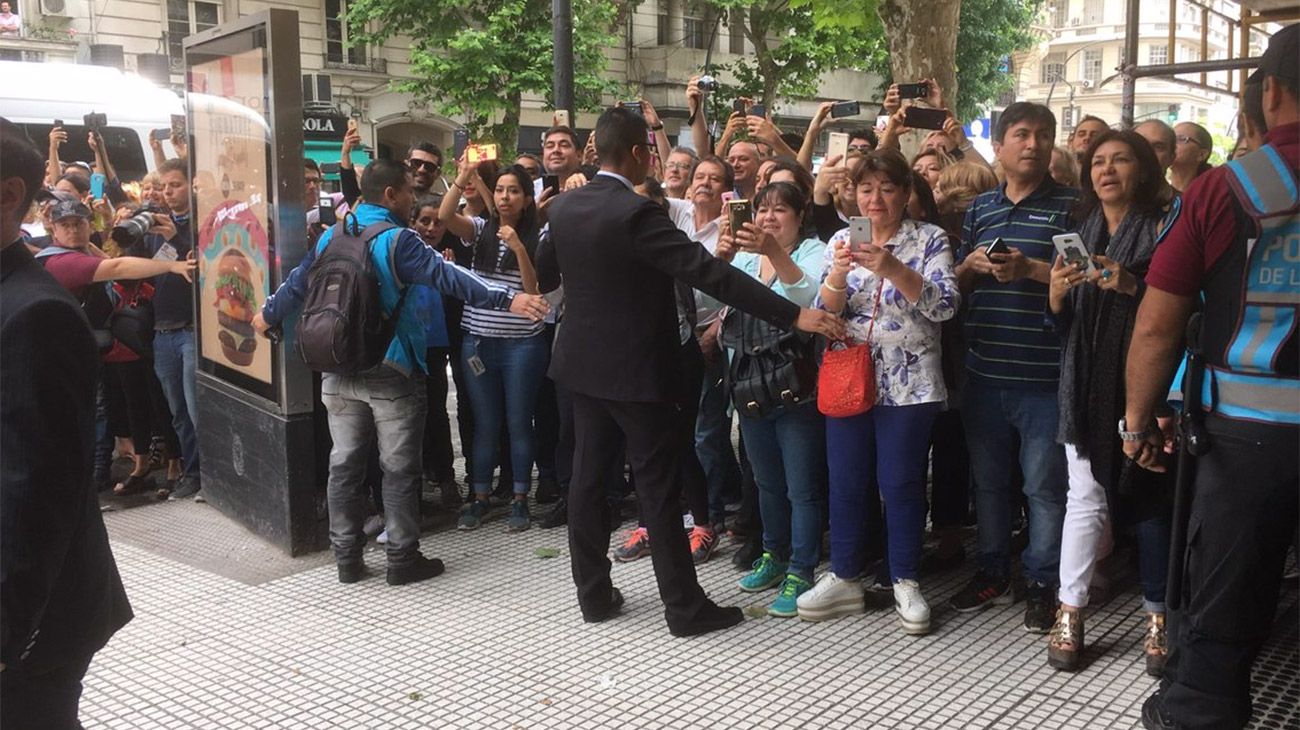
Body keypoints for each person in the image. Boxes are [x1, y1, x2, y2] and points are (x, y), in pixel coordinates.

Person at [536, 106, 844, 637]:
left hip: (581, 367)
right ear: (637, 153)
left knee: (587, 480)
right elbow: (709, 273)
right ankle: (683, 607)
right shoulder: (636, 214)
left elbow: (545, 274)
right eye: (648, 151)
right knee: (657, 488)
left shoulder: (564, 208)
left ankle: (593, 595)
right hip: (637, 373)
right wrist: (795, 312)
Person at [255, 159, 548, 584]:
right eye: (408, 192)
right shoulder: (398, 241)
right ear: (390, 195)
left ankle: (347, 558)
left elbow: (297, 285)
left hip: (337, 369)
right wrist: (510, 300)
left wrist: (266, 314)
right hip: (391, 366)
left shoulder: (333, 235)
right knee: (398, 468)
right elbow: (449, 276)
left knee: (345, 464)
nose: (413, 199)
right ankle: (402, 558)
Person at [1125, 24, 1299, 730]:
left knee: (1222, 610)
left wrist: (1138, 421)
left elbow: (1158, 324)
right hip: (1241, 437)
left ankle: (1200, 713)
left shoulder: (1226, 190)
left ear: (1270, 90)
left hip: (1246, 443)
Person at [0, 116, 134, 730]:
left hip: (31, 625)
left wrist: (10, 635)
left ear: (8, 195)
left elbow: (39, 491)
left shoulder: (36, 313)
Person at [797, 151, 959, 634]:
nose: (875, 199)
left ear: (905, 193)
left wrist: (893, 268)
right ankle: (846, 574)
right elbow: (821, 310)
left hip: (910, 382)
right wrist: (838, 276)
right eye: (866, 189)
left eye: (886, 188)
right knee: (846, 479)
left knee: (901, 482)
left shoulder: (930, 239)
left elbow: (945, 305)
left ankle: (905, 578)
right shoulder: (841, 240)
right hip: (848, 376)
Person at [1044, 130, 1174, 674]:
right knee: (1085, 498)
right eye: (1098, 162)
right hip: (1083, 385)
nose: (1108, 170)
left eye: (1121, 160)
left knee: (1148, 506)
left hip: (1146, 385)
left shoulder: (1167, 229)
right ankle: (1070, 611)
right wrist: (1055, 293)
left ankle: (1160, 618)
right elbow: (1062, 321)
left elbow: (1184, 312)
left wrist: (1131, 286)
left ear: (1142, 170)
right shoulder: (1081, 229)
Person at [947, 102, 1077, 633]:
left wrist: (1031, 269)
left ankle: (1043, 581)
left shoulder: (1074, 205)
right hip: (984, 372)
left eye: (1044, 136)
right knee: (990, 483)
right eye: (1021, 135)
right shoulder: (980, 208)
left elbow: (1087, 274)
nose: (1034, 144)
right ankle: (992, 570)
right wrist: (969, 267)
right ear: (997, 147)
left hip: (1045, 375)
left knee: (1044, 489)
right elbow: (951, 283)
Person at [706, 182, 828, 617]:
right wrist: (719, 260)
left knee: (802, 487)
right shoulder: (741, 256)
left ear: (800, 215)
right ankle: (774, 555)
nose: (769, 218)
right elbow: (706, 298)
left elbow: (805, 297)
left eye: (780, 210)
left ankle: (801, 566)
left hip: (796, 386)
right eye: (761, 210)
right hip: (747, 384)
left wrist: (775, 252)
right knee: (766, 481)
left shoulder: (815, 250)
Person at [439, 160, 549, 532]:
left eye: (514, 190)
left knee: (519, 422)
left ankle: (520, 499)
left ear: (527, 199)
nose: (505, 197)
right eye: (500, 189)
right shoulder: (481, 229)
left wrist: (519, 247)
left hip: (522, 346)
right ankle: (479, 497)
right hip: (478, 343)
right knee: (485, 424)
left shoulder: (539, 235)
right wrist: (462, 178)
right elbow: (444, 217)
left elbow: (534, 291)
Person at [146, 158, 203, 501]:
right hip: (161, 333)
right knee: (178, 413)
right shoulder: (154, 228)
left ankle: (213, 476)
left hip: (191, 330)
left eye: (175, 184)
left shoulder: (200, 224)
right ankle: (193, 474)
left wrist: (177, 237)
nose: (168, 191)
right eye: (164, 185)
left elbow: (195, 266)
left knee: (197, 411)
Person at [411, 194, 463, 509]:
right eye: (424, 221)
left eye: (438, 222)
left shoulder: (447, 259)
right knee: (407, 419)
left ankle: (445, 477)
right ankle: (412, 486)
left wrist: (450, 275)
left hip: (435, 346)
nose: (431, 228)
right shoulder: (402, 252)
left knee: (437, 413)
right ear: (412, 221)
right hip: (406, 346)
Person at [1169, 121, 1214, 193]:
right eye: (1171, 139)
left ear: (1201, 154)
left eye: (1181, 139)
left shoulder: (1210, 196)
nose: (1171, 144)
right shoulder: (1157, 194)